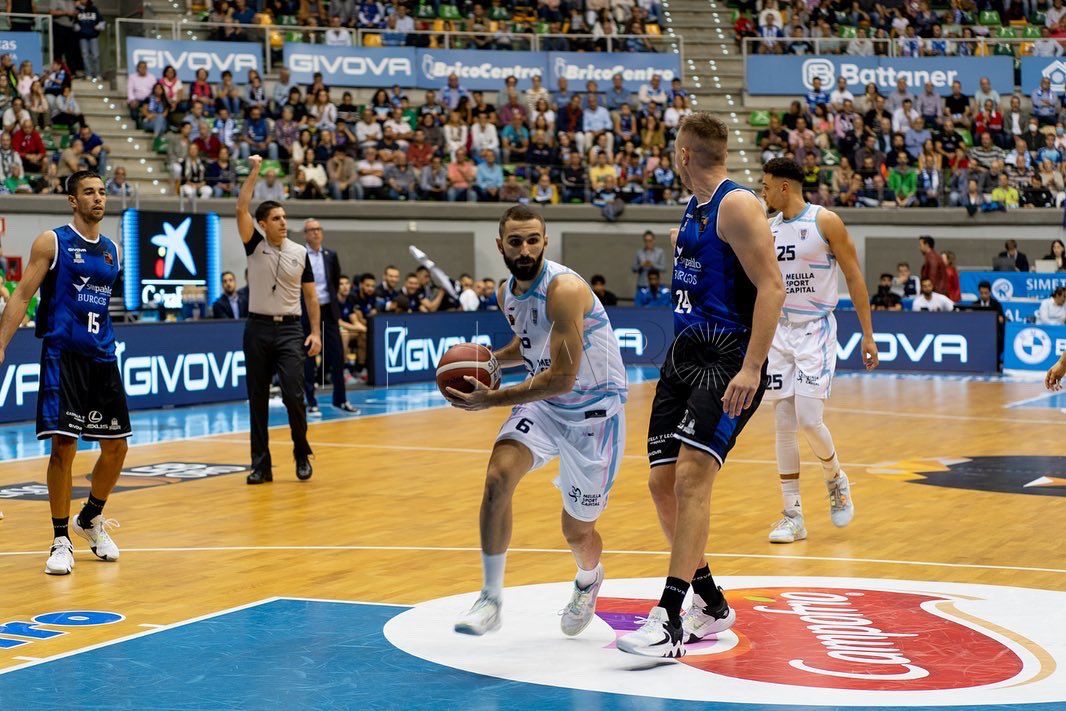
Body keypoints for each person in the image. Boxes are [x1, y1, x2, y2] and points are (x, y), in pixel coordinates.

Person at [616, 114, 785, 658]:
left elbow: (773, 288)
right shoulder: (695, 208)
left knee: (691, 477)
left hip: (728, 360)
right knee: (660, 483)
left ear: (683, 155)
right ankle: (711, 602)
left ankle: (667, 620)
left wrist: (752, 367)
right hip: (684, 357)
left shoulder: (737, 204)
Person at [450, 205, 628, 638]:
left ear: (545, 241)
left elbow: (562, 379)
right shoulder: (505, 293)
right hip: (546, 410)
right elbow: (529, 341)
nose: (525, 249)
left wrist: (491, 398)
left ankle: (588, 580)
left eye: (533, 240)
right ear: (500, 246)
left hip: (593, 417)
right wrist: (492, 358)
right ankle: (490, 599)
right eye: (516, 242)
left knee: (576, 531)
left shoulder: (564, 289)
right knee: (497, 479)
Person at [0, 170, 129, 575]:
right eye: (88, 192)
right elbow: (23, 294)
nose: (97, 198)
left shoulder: (112, 250)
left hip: (103, 358)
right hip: (63, 356)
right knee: (63, 448)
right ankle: (60, 538)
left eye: (102, 192)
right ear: (73, 200)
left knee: (117, 448)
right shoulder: (52, 242)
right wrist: (0, 341)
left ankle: (90, 518)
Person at [759, 158, 878, 544]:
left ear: (784, 187)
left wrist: (868, 334)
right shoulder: (767, 228)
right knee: (782, 422)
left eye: (766, 185)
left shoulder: (825, 222)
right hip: (779, 332)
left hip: (815, 331)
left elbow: (855, 277)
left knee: (809, 419)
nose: (762, 192)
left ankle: (835, 478)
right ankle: (792, 514)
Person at [235, 155, 322, 485]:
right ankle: (261, 465)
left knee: (293, 396)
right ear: (262, 223)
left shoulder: (300, 253)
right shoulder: (253, 245)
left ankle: (301, 451)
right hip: (256, 328)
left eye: (285, 217)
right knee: (257, 399)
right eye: (276, 218)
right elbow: (241, 208)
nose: (284, 222)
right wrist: (254, 171)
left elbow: (312, 297)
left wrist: (315, 332)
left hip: (289, 329)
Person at [302, 219, 356, 415]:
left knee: (337, 356)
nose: (316, 233)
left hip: (328, 310)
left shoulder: (330, 255)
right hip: (307, 312)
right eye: (311, 230)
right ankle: (311, 401)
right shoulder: (300, 255)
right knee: (308, 357)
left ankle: (340, 400)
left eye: (318, 229)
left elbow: (333, 281)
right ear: (305, 234)